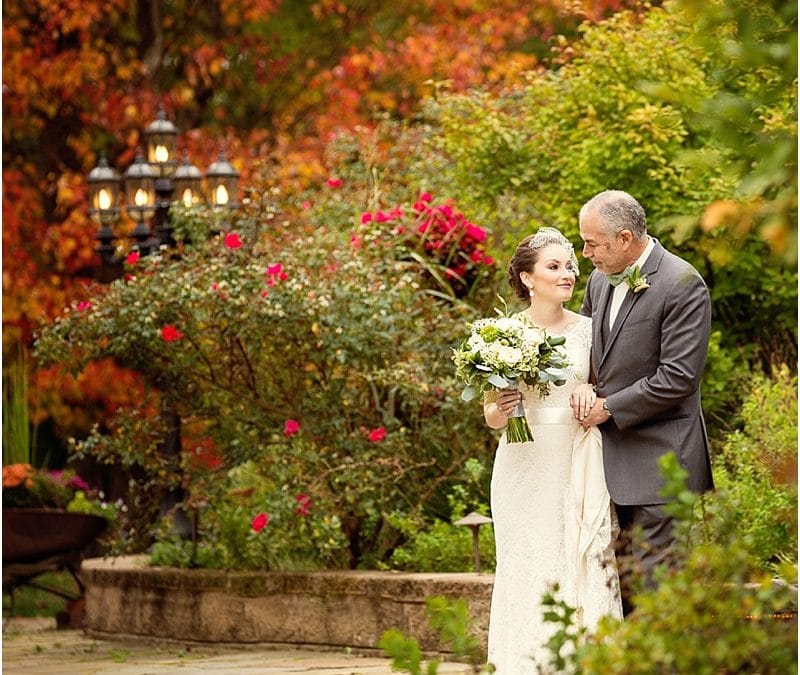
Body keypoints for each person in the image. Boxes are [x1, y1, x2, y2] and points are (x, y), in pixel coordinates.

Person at [485, 228, 622, 673]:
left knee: (578, 555)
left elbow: (605, 385)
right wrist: (502, 408)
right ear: (527, 278)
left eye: (569, 266)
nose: (567, 274)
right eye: (554, 266)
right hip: (522, 465)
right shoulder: (502, 335)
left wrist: (588, 387)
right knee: (526, 564)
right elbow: (490, 415)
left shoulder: (589, 330)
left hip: (576, 459)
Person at [572, 189, 713, 616]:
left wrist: (609, 407)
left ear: (625, 238)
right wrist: (581, 384)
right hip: (608, 461)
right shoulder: (599, 280)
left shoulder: (683, 284)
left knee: (656, 592)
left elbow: (679, 377)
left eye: (592, 243)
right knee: (622, 591)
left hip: (661, 461)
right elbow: (587, 350)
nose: (585, 253)